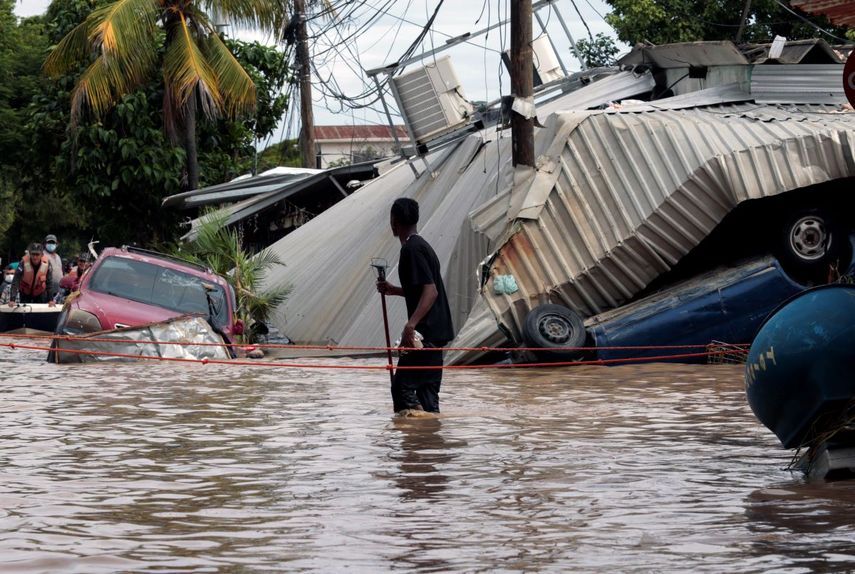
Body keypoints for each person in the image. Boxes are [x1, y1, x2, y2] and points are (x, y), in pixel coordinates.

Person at [376, 198, 454, 414]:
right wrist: (395, 290)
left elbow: (431, 291)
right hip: (435, 336)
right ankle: (429, 441)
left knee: (401, 388)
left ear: (394, 221)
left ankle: (415, 438)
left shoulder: (411, 249)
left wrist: (410, 325)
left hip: (424, 336)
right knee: (427, 397)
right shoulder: (423, 246)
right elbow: (422, 290)